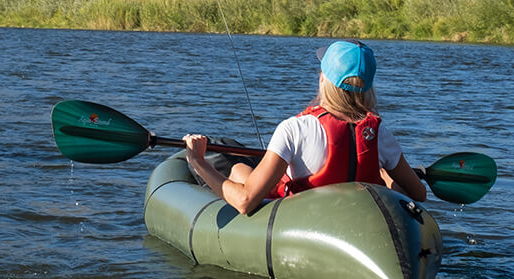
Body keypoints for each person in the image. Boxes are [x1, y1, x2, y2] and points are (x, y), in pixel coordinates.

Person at [183, 39, 427, 215]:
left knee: (238, 169)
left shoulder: (295, 129)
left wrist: (198, 162)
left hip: (305, 219)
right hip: (356, 216)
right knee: (245, 168)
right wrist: (383, 174)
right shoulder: (380, 135)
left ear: (323, 79)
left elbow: (246, 202)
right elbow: (418, 194)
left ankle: (215, 168)